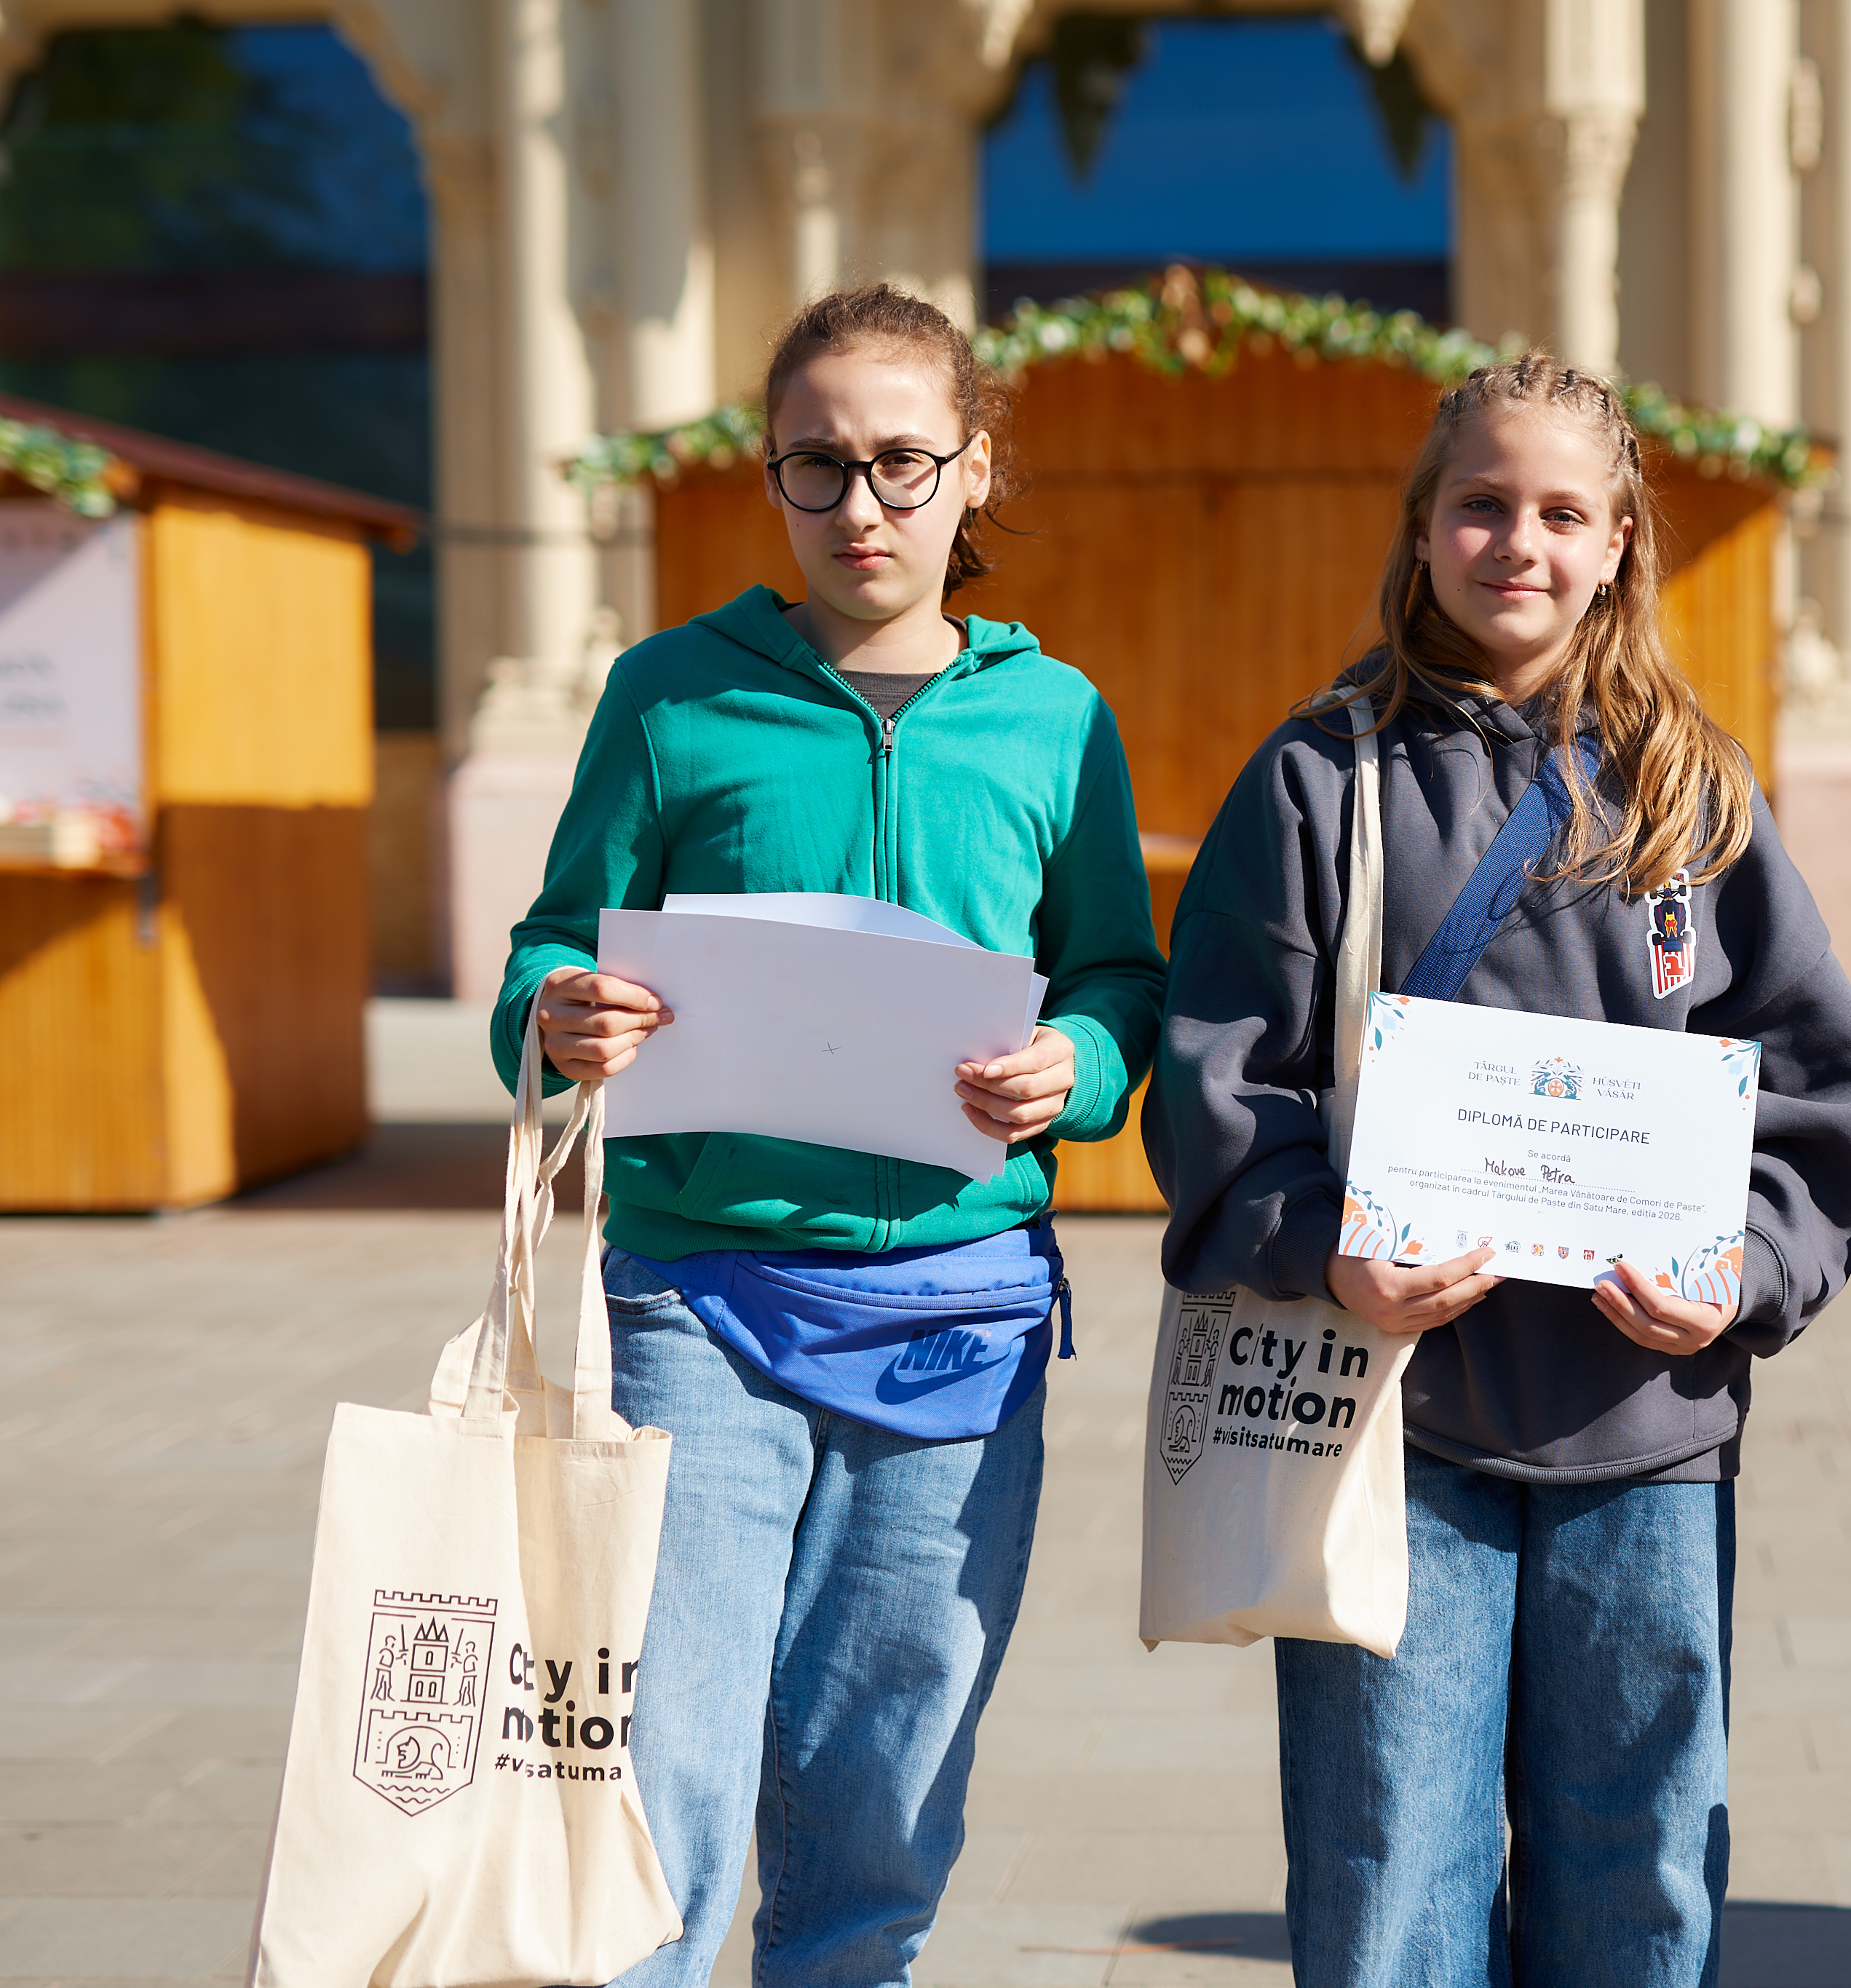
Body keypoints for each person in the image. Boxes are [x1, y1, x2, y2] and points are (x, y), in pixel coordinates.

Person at [1146, 352, 1851, 1987]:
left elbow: (1819, 1085)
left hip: (1648, 1434)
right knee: (1390, 1876)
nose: (1519, 543)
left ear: (1620, 543)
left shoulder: (1693, 788)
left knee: (1642, 1883)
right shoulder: (1319, 778)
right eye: (1482, 505)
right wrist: (1321, 1244)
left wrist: (1747, 1270)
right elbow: (1216, 1078)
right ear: (1422, 527)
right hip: (1393, 1423)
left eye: (1563, 513)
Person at [489, 282, 1165, 1986]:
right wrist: (558, 1011)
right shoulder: (670, 696)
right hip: (697, 1301)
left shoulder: (1055, 715)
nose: (860, 505)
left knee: (885, 1776)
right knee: (668, 1764)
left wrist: (1077, 1065)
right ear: (769, 473)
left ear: (972, 466)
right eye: (817, 464)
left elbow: (1116, 974)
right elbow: (550, 943)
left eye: (900, 461)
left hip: (960, 1312)